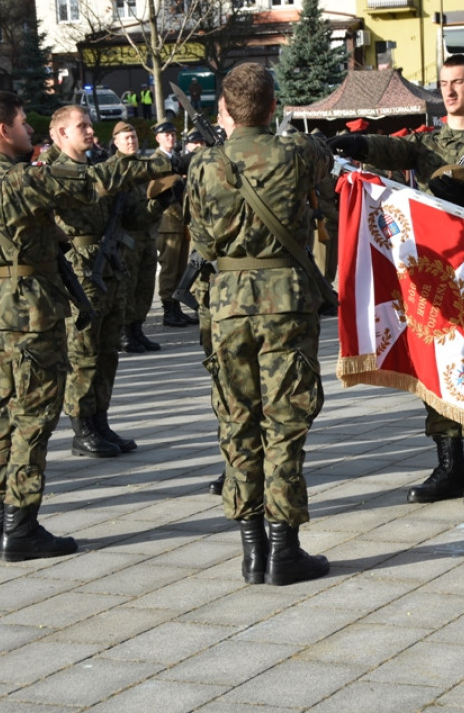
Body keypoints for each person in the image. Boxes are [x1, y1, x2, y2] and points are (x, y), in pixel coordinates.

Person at [0, 91, 175, 561]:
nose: (30, 130)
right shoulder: (17, 181)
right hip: (28, 310)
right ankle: (21, 528)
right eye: (24, 123)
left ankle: (0, 521)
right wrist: (158, 163)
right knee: (32, 420)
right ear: (4, 130)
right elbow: (92, 182)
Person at [328, 53, 464, 507]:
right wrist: (354, 146)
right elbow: (395, 150)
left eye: (458, 83)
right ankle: (447, 468)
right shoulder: (426, 140)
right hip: (431, 265)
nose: (449, 91)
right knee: (431, 360)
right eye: (443, 83)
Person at [187, 62, 334, 586]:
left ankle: (251, 551)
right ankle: (284, 549)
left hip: (227, 307)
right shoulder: (294, 153)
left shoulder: (204, 165)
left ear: (224, 109)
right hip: (286, 305)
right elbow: (327, 157)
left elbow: (202, 243)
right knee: (284, 427)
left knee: (237, 424)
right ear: (273, 107)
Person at [48, 106, 145, 458]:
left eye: (90, 125)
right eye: (82, 126)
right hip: (81, 269)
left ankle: (100, 420)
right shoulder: (54, 173)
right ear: (60, 134)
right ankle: (81, 426)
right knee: (83, 351)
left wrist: (159, 202)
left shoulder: (96, 169)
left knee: (107, 351)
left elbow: (131, 217)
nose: (90, 131)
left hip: (110, 265)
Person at [114, 122, 165, 354]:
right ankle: (125, 332)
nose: (131, 141)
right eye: (126, 138)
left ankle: (138, 329)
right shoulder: (112, 169)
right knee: (128, 286)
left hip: (146, 235)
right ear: (116, 142)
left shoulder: (145, 167)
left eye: (133, 137)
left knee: (145, 285)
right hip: (126, 240)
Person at [153, 121, 198, 328]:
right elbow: (161, 193)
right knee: (170, 269)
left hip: (180, 223)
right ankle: (168, 311)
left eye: (172, 134)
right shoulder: (157, 161)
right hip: (168, 223)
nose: (171, 138)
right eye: (166, 135)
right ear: (158, 138)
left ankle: (177, 309)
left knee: (180, 268)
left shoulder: (175, 159)